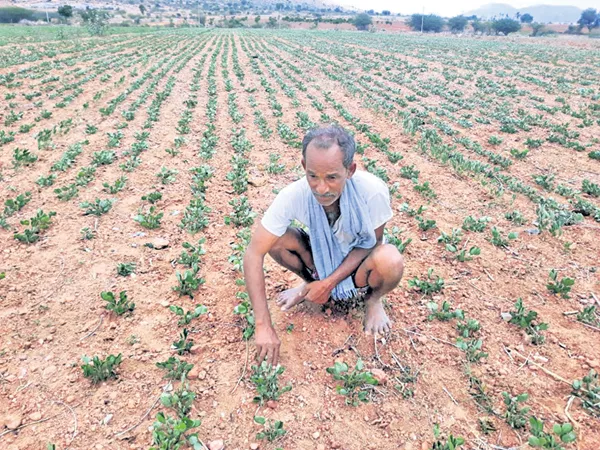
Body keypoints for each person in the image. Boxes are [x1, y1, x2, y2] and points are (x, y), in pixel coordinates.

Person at [243, 125, 404, 366]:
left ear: (349, 170)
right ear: (303, 167)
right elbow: (253, 253)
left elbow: (372, 245)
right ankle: (309, 284)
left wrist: (328, 283)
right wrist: (263, 326)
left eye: (332, 177)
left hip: (358, 262)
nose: (321, 188)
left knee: (389, 260)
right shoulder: (292, 196)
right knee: (274, 239)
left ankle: (372, 300)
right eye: (312, 176)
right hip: (319, 256)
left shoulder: (372, 192)